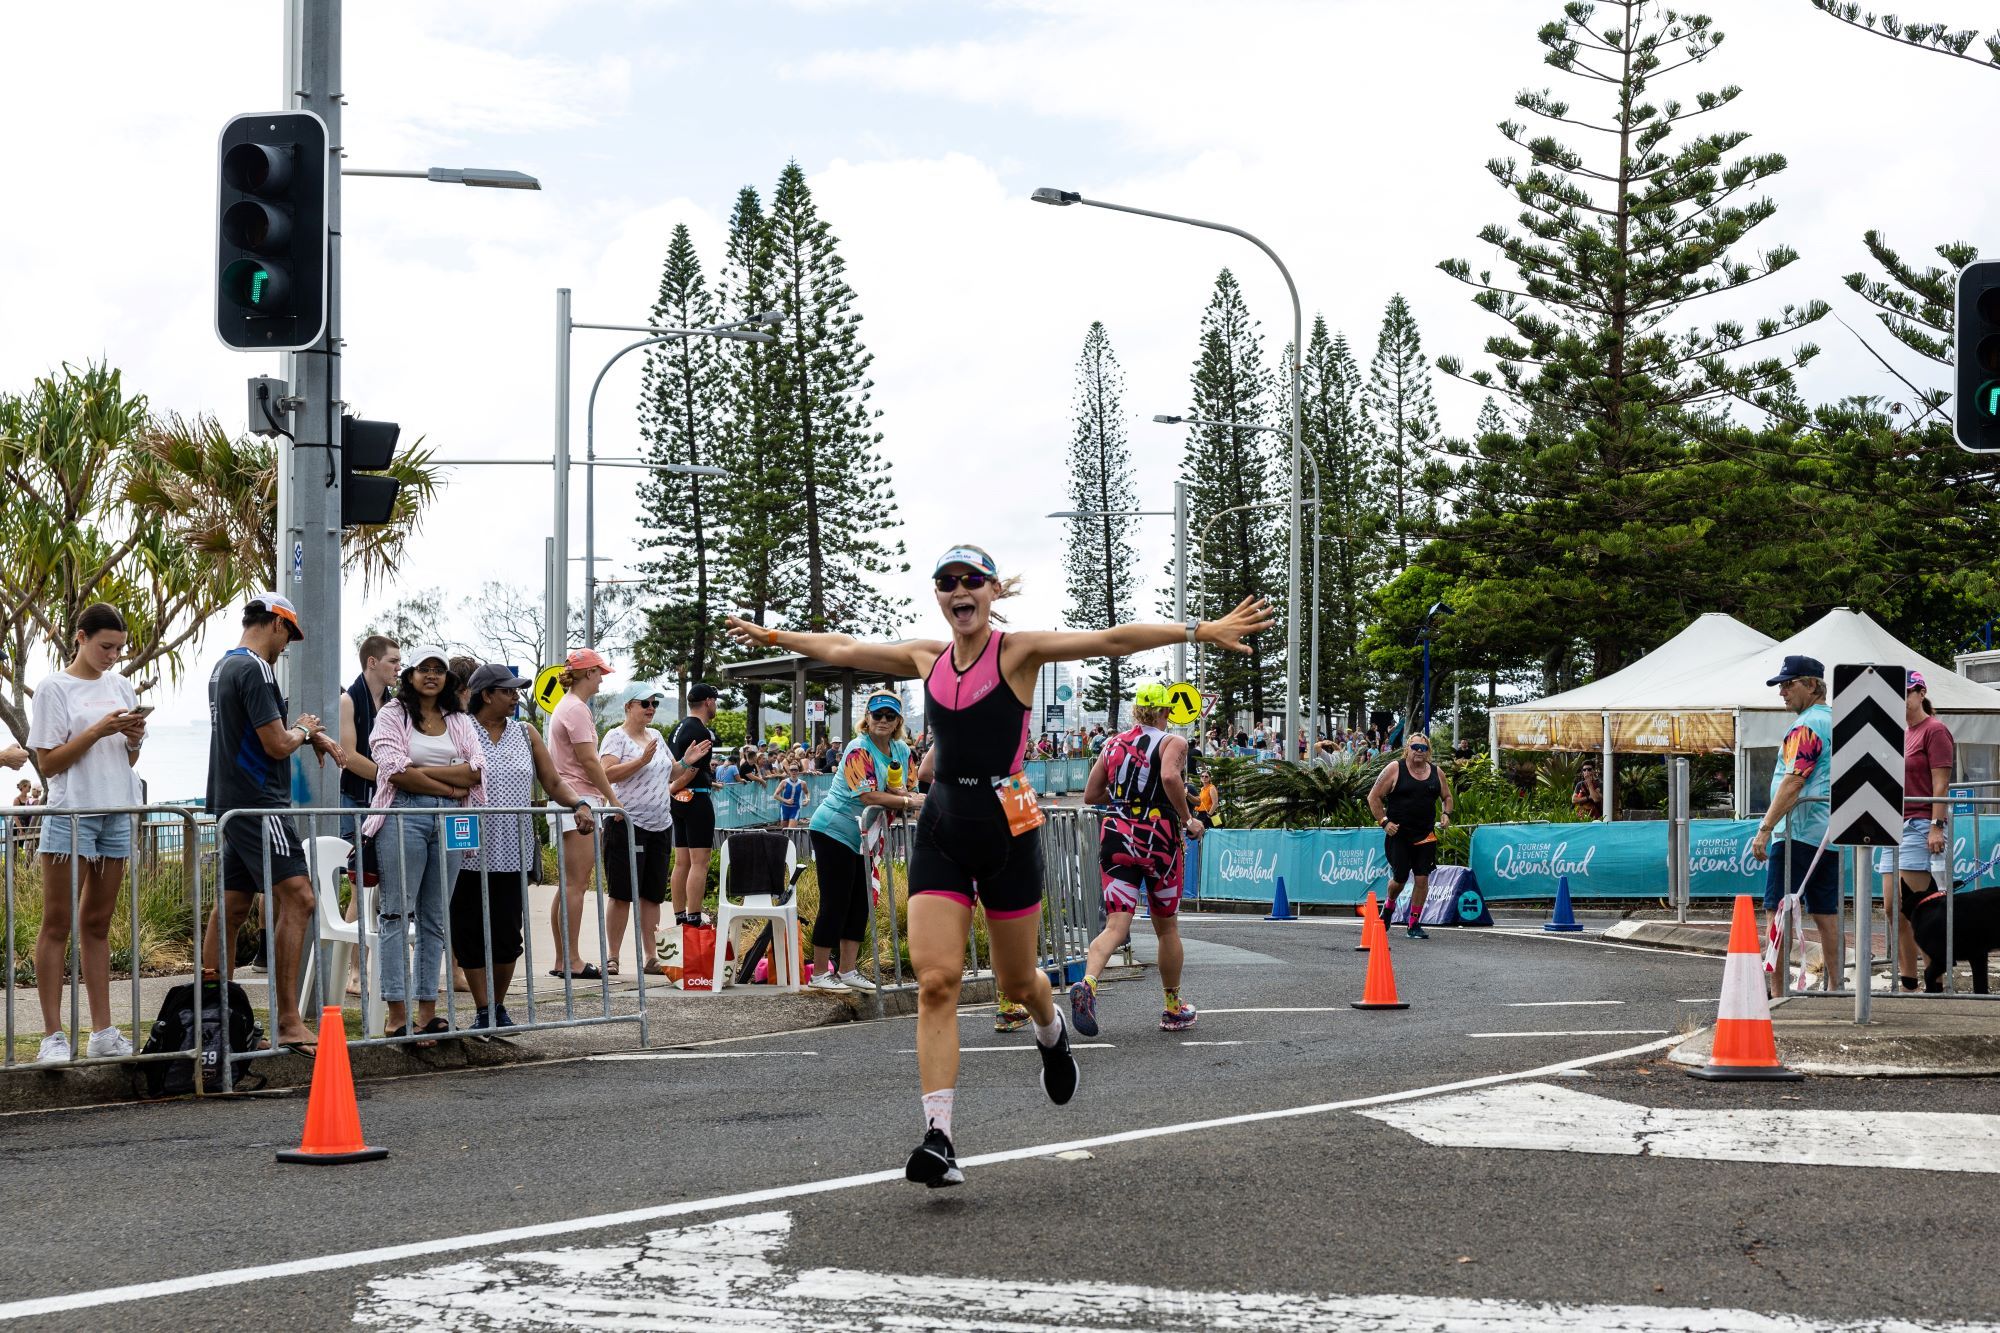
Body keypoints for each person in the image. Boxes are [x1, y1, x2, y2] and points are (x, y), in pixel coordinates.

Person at [725, 543, 1271, 1189]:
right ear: (939, 595)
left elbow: (1110, 638)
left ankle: (1051, 1027)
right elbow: (843, 648)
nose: (960, 590)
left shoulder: (1017, 652)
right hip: (943, 829)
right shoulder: (923, 657)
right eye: (947, 581)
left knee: (1018, 980)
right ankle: (939, 1136)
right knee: (936, 980)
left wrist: (1199, 629)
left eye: (972, 581)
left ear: (990, 592)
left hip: (1010, 832)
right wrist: (774, 632)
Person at [200, 594, 345, 1055]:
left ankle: (213, 1019)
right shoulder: (257, 669)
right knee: (300, 898)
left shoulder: (223, 666)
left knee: (233, 907)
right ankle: (287, 1021)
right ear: (277, 624)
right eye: (289, 636)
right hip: (260, 804)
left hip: (231, 804)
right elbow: (279, 744)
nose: (286, 647)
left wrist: (305, 735)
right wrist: (305, 729)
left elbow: (260, 737)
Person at [26, 603, 146, 1064]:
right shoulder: (54, 688)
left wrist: (132, 737)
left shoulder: (120, 684)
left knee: (97, 925)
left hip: (117, 809)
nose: (113, 656)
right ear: (80, 637)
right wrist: (98, 729)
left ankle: (103, 1031)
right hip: (72, 812)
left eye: (118, 648)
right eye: (105, 647)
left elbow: (128, 760)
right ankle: (53, 1037)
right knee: (56, 923)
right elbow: (49, 762)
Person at [457, 665, 597, 1029]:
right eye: (508, 690)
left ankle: (497, 1006)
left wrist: (579, 804)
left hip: (511, 850)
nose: (516, 696)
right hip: (467, 850)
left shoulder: (526, 731)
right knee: (469, 934)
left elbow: (553, 780)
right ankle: (483, 1008)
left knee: (507, 936)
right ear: (487, 694)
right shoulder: (460, 728)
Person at [361, 646, 486, 1042]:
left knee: (436, 917)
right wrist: (449, 785)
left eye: (439, 670)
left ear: (447, 678)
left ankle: (427, 1012)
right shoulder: (392, 715)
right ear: (410, 675)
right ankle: (396, 1012)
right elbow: (395, 771)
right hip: (402, 815)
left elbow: (476, 770)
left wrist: (430, 776)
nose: (431, 676)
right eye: (423, 669)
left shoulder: (459, 719)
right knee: (397, 912)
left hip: (452, 818)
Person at [1071, 683, 1204, 1036]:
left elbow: (1090, 795)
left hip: (1116, 833)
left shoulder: (1112, 744)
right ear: (1166, 711)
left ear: (1135, 711)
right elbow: (1170, 776)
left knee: (1116, 926)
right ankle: (1173, 1008)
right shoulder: (1172, 742)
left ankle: (1088, 983)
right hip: (1157, 838)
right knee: (1167, 927)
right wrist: (1188, 819)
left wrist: (1121, 798)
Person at [805, 691, 917, 994]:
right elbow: (867, 796)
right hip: (834, 829)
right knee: (836, 900)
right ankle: (818, 973)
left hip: (865, 837)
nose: (882, 721)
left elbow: (907, 789)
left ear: (897, 722)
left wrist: (908, 798)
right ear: (866, 718)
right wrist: (909, 800)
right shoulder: (858, 748)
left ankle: (848, 969)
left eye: (889, 716)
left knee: (860, 903)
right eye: (877, 715)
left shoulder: (902, 751)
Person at [1751, 654, 1841, 995]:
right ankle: (1835, 988)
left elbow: (1793, 780)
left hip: (1796, 831)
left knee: (1779, 911)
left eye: (1789, 684)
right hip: (1826, 832)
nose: (1782, 692)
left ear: (1813, 685)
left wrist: (1764, 828)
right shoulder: (1833, 720)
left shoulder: (1807, 725)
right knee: (1826, 913)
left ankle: (1777, 993)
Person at [545, 649, 619, 979]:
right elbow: (590, 760)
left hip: (570, 800)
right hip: (578, 801)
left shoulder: (570, 707)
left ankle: (565, 958)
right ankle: (571, 960)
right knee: (576, 884)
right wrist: (612, 797)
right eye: (599, 672)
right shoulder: (576, 709)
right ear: (588, 673)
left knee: (568, 884)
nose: (602, 678)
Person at [1879, 670, 1953, 992]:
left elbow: (1941, 782)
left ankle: (1933, 979)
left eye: (1907, 692)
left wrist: (1936, 826)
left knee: (1918, 909)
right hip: (1893, 825)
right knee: (1892, 907)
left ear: (1921, 693)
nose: (1902, 699)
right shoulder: (1901, 733)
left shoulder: (1934, 730)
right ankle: (1907, 980)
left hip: (1919, 823)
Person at [599, 690, 674, 975]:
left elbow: (673, 771)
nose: (651, 708)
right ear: (629, 706)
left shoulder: (655, 735)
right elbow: (606, 773)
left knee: (652, 895)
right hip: (626, 824)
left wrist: (690, 762)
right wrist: (640, 761)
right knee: (621, 893)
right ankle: (613, 956)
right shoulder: (615, 736)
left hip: (660, 824)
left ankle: (651, 956)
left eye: (655, 704)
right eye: (645, 703)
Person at [1367, 731, 1454, 940]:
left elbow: (1447, 796)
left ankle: (1414, 923)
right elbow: (1374, 797)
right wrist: (1384, 822)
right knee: (1400, 879)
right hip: (1400, 834)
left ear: (1428, 752)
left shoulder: (1436, 772)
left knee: (1422, 878)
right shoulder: (1395, 769)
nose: (1419, 751)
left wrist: (1446, 813)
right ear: (1408, 749)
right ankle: (1389, 906)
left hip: (1425, 834)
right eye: (1415, 747)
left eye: (1423, 748)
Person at [337, 634, 399, 887]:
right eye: (393, 661)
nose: (398, 668)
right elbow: (348, 757)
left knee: (387, 882)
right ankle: (355, 927)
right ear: (372, 662)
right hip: (356, 801)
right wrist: (395, 777)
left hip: (387, 802)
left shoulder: (394, 706)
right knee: (360, 885)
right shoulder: (347, 701)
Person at [668, 683, 721, 929]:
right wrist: (676, 786)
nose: (716, 706)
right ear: (709, 701)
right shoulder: (701, 731)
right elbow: (691, 770)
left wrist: (671, 789)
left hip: (677, 801)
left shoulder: (678, 728)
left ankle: (680, 917)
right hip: (695, 798)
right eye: (716, 701)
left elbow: (674, 763)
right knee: (700, 862)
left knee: (681, 862)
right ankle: (694, 918)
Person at [775, 762, 806, 828]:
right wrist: (786, 800)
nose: (793, 772)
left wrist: (808, 799)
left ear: (798, 771)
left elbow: (807, 793)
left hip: (795, 808)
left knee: (791, 830)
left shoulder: (802, 783)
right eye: (792, 770)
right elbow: (775, 795)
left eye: (795, 770)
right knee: (785, 831)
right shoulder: (784, 782)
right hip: (785, 808)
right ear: (789, 771)